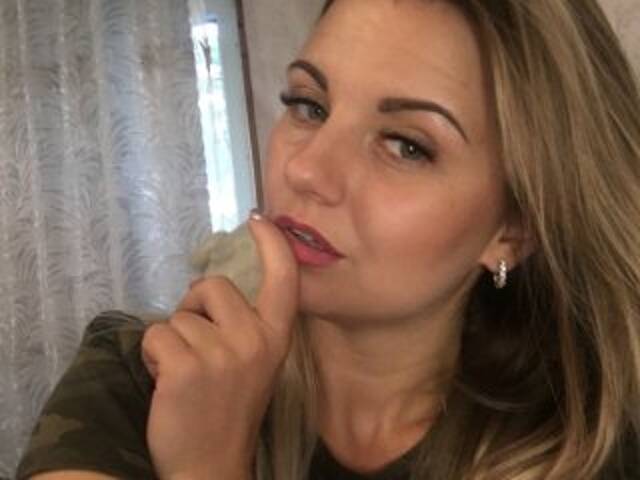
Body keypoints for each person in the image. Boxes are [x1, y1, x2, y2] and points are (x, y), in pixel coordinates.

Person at [17, 0, 640, 478]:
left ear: (514, 228)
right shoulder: (141, 376)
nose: (306, 169)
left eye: (407, 145)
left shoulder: (600, 450)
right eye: (309, 106)